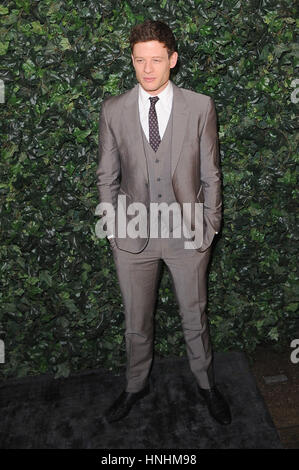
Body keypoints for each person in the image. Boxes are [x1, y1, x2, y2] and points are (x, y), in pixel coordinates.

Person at [96, 20, 231, 425]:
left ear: (172, 59)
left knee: (195, 315)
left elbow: (211, 173)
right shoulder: (113, 109)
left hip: (187, 231)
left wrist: (210, 224)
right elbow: (106, 176)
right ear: (132, 61)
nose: (148, 69)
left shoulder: (200, 106)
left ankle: (206, 385)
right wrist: (114, 231)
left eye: (156, 59)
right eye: (140, 60)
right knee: (136, 321)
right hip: (132, 233)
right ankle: (136, 385)